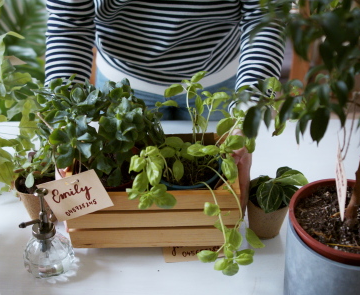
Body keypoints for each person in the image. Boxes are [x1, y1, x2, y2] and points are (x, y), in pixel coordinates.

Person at [45, 0, 286, 211]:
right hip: (122, 82)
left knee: (221, 164)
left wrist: (251, 106)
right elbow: (69, 23)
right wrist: (64, 120)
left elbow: (266, 16)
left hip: (218, 80)